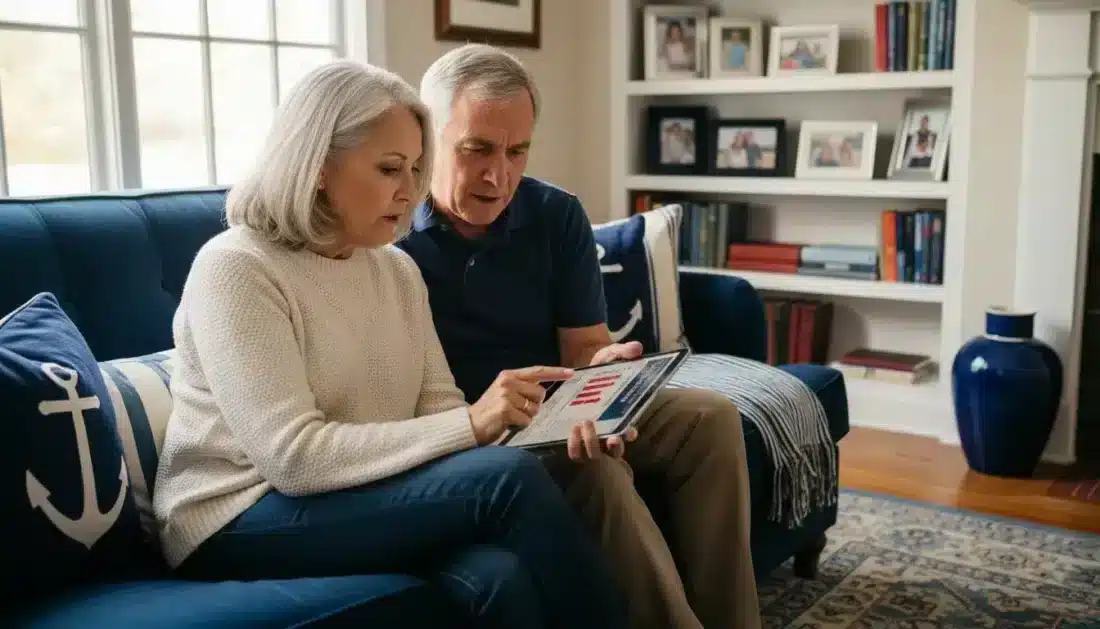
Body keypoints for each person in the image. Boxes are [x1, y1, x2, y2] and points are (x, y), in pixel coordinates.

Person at [152, 59, 628, 629]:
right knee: (509, 479)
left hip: (359, 494)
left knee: (498, 577)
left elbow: (438, 408)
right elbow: (293, 458)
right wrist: (475, 425)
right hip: (236, 515)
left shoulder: (395, 271)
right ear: (320, 166)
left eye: (417, 168)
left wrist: (527, 416)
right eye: (389, 168)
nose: (411, 191)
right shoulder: (237, 268)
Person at [398, 43, 763, 629]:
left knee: (710, 418)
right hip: (465, 431)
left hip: (555, 410)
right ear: (427, 136)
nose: (500, 176)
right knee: (597, 472)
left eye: (518, 151)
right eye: (477, 150)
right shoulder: (388, 234)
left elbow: (583, 349)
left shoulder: (556, 213)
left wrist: (607, 370)